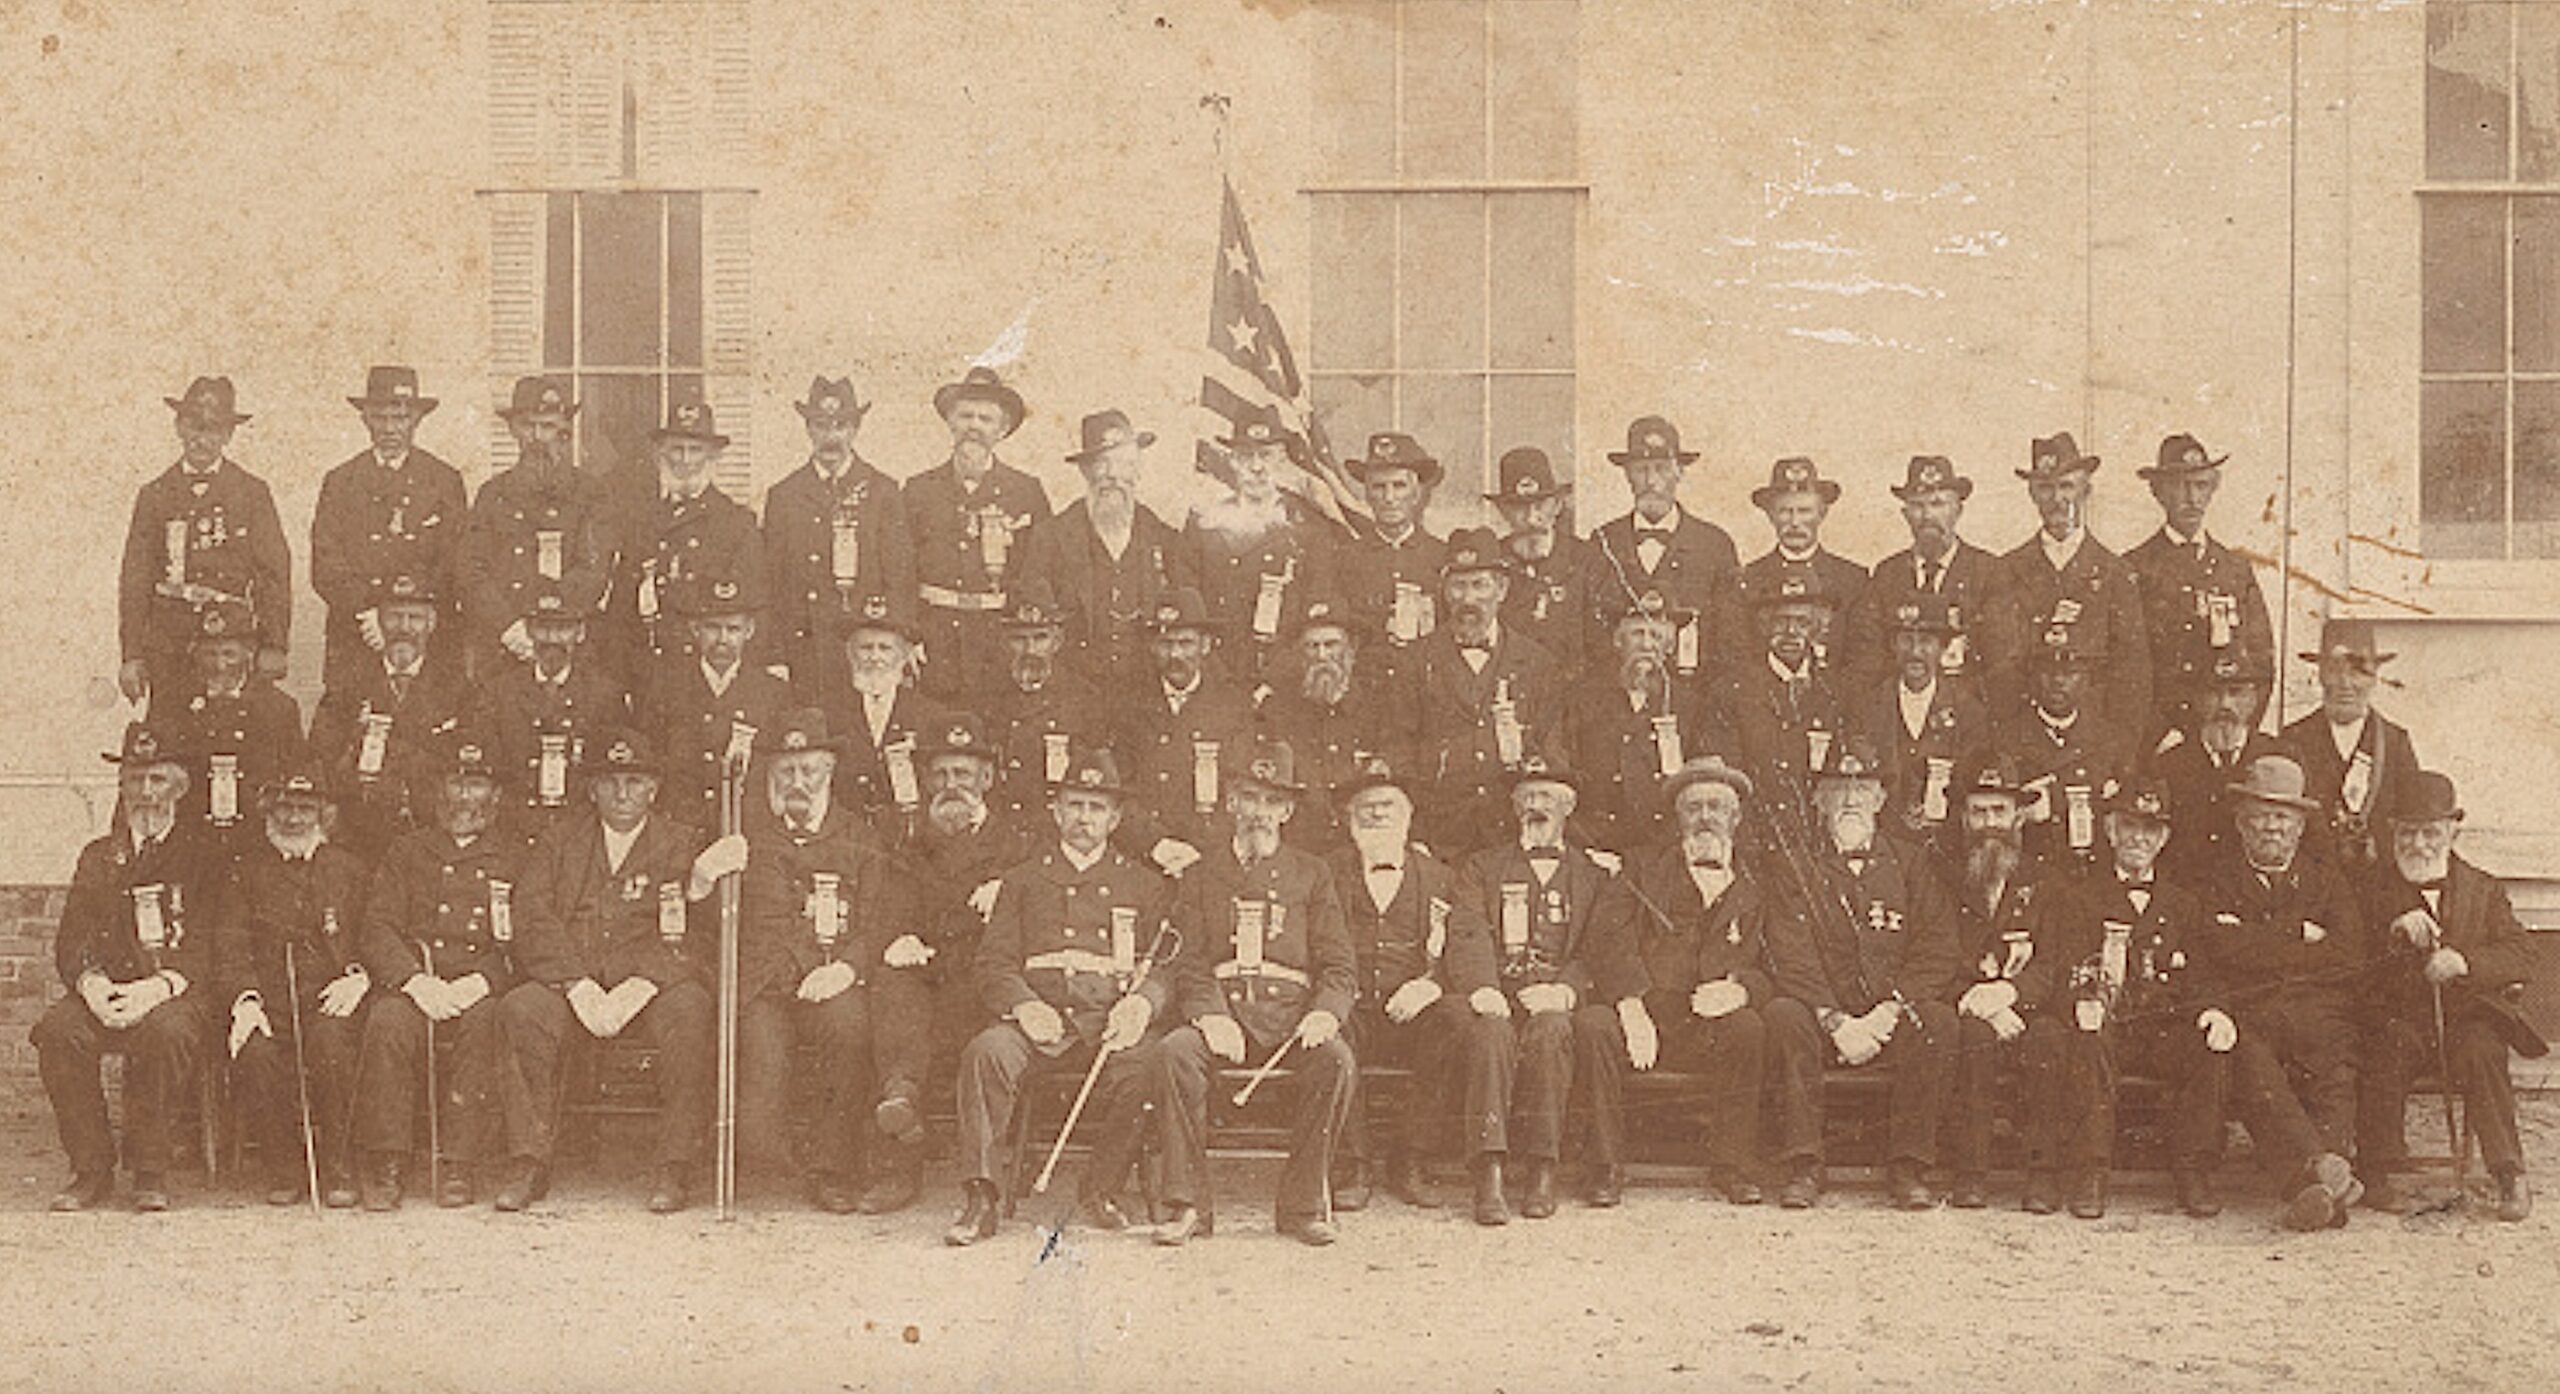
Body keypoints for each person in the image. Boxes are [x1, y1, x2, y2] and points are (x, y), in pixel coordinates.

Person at [491, 730, 725, 1213]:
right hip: (574, 983)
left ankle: (673, 1165)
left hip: (649, 988)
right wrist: (576, 985)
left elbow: (696, 933)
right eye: (611, 782)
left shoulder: (680, 843)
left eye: (635, 781)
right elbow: (532, 915)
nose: (623, 794)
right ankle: (527, 1159)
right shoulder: (560, 841)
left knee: (692, 1009)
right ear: (592, 788)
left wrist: (642, 983)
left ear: (653, 789)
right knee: (521, 1009)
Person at [946, 748, 1170, 1247]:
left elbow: (1169, 964)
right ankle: (982, 1196)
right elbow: (993, 964)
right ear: (1057, 811)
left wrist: (1143, 1003)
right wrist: (1024, 1004)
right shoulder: (1024, 881)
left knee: (1149, 1064)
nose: (1084, 818)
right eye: (1075, 805)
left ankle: (1103, 1187)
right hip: (1039, 1021)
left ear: (1115, 818)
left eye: (1096, 808)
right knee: (986, 1053)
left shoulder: (1145, 885)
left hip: (1109, 1022)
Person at [717, 708, 931, 1214]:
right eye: (786, 771)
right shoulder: (749, 838)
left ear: (830, 773)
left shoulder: (860, 837)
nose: (797, 782)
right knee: (762, 1066)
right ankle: (769, 1156)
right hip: (766, 984)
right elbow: (741, 922)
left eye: (808, 770)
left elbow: (879, 917)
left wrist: (845, 969)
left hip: (835, 977)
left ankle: (832, 1168)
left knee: (851, 1029)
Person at [1153, 740, 1359, 1246]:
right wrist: (1208, 1015)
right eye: (1249, 798)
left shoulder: (1313, 873)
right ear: (1230, 804)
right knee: (1174, 1052)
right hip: (1224, 1014)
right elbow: (1189, 960)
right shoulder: (1201, 875)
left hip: (1291, 1017)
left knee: (1336, 1060)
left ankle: (1303, 1205)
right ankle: (1187, 1206)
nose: (1259, 813)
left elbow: (1339, 966)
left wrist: (1325, 1015)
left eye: (1271, 802)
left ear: (1288, 811)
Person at [1760, 735, 1962, 1210]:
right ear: (1818, 799)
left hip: (1889, 1010)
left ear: (1881, 798)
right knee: (1784, 1015)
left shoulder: (1911, 862)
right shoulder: (1796, 864)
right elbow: (1789, 950)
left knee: (1938, 1022)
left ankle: (1909, 1166)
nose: (1850, 797)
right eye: (1837, 787)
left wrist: (1889, 1011)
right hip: (1822, 1010)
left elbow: (1937, 946)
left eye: (1863, 786)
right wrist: (1834, 1018)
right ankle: (1803, 1164)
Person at [32, 723, 223, 1212]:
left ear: (179, 787)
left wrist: (156, 988)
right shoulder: (99, 856)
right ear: (122, 787)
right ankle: (90, 1168)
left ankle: (150, 1170)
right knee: (57, 1031)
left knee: (165, 1034)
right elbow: (72, 939)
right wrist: (94, 987)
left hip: (175, 992)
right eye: (135, 779)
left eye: (157, 779)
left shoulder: (204, 857)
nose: (145, 791)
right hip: (109, 989)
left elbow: (208, 942)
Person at [2022, 776, 2230, 1220]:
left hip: (2159, 1029)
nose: (2139, 837)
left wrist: (2213, 1009)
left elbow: (2203, 974)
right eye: (2129, 825)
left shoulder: (2182, 904)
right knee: (2087, 1041)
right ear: (2110, 831)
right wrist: (2081, 1002)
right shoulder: (2078, 898)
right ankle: (2091, 1171)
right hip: (2101, 1027)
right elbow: (2059, 968)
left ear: (2165, 838)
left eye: (2150, 829)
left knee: (2205, 1048)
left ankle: (2193, 1170)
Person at [1575, 756, 1773, 1207]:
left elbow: (1777, 961)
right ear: (1677, 817)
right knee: (1592, 1025)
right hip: (1646, 1011)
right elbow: (1608, 940)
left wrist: (1741, 987)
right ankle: (1605, 1165)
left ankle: (1732, 1164)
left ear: (1736, 818)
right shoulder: (1641, 868)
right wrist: (1630, 1004)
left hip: (1710, 1018)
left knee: (1748, 1028)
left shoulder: (1759, 881)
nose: (1705, 818)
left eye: (1717, 808)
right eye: (1693, 807)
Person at [1445, 761, 1633, 1215]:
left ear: (1569, 807)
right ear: (1513, 807)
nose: (1535, 806)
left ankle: (1541, 1169)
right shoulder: (1482, 866)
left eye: (1547, 798)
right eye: (1526, 798)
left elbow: (1603, 945)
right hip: (1500, 988)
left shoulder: (1595, 875)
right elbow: (1467, 929)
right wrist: (1484, 987)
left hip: (1560, 995)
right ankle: (1488, 1172)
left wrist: (1566, 990)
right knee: (1488, 1032)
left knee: (1552, 1031)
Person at [2191, 754, 2369, 1231]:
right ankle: (2323, 1172)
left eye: (2283, 816)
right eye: (2261, 815)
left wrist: (2257, 939)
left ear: (2300, 823)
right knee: (2251, 1061)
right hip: (2254, 1010)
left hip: (2319, 1008)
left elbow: (2351, 954)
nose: (2271, 826)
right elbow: (2218, 949)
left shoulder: (2325, 879)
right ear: (2241, 821)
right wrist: (2302, 937)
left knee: (2335, 1059)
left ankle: (2314, 1180)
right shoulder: (2218, 879)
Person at [2355, 770, 2541, 1221]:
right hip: (2398, 1016)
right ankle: (2376, 1171)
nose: (2419, 844)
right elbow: (2349, 959)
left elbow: (2522, 953)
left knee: (2483, 1049)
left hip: (2465, 1017)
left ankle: (2508, 1173)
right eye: (2409, 833)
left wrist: (2465, 962)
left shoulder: (2484, 887)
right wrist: (2391, 932)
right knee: (2387, 1047)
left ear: (2453, 830)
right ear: (2393, 831)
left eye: (2431, 833)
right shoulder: (2370, 889)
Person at [350, 733, 521, 1210]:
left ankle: (458, 1163)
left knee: (486, 1024)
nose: (465, 798)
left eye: (477, 786)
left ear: (497, 795)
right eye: (455, 784)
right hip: (416, 979)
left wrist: (483, 980)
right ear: (438, 791)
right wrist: (412, 980)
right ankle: (387, 1161)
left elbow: (526, 934)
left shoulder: (515, 856)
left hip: (477, 983)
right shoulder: (408, 851)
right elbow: (378, 926)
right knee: (387, 1023)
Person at [1321, 756, 1484, 1216]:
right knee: (1330, 1026)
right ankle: (1354, 1163)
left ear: (1409, 816)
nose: (1376, 815)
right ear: (1348, 819)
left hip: (1412, 1011)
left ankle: (1411, 1157)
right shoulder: (1326, 872)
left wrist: (1433, 983)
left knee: (1455, 1018)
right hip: (1350, 1004)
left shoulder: (1442, 878)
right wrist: (1335, 992)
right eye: (1366, 807)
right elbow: (1309, 941)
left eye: (1388, 805)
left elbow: (1466, 944)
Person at [212, 763, 372, 1207]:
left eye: (306, 808)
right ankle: (283, 1164)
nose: (295, 819)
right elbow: (229, 942)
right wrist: (245, 999)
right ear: (268, 811)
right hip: (269, 999)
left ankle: (339, 1165)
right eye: (285, 807)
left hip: (329, 997)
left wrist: (358, 975)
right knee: (256, 1051)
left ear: (324, 814)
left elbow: (373, 931)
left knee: (333, 1045)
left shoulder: (349, 870)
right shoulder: (245, 872)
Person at [118, 376, 291, 713]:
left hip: (232, 640)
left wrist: (274, 643)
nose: (201, 438)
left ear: (228, 435)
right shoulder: (154, 495)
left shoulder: (252, 492)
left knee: (232, 731)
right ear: (179, 427)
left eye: (213, 429)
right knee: (171, 730)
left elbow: (274, 573)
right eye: (194, 425)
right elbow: (135, 579)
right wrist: (133, 654)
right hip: (170, 641)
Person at [1937, 756, 2058, 1209]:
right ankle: (1970, 1173)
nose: (1991, 824)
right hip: (1966, 1005)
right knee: (1971, 1037)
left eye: (2000, 811)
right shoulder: (1942, 877)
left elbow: (2055, 962)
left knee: (2049, 1039)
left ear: (2019, 817)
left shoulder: (2044, 881)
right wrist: (1974, 997)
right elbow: (1934, 953)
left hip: (2028, 1009)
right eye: (1980, 812)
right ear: (1964, 817)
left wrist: (2011, 994)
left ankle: (2042, 1174)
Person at [893, 711, 1040, 1081]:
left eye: (963, 774)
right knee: (892, 984)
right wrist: (902, 935)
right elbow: (892, 903)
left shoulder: (1018, 843)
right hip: (925, 968)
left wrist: (1007, 891)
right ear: (925, 781)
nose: (951, 785)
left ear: (987, 779)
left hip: (980, 970)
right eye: (940, 774)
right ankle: (900, 1094)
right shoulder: (907, 840)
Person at [1408, 529, 1564, 856]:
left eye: (1480, 585)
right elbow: (1401, 749)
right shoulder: (1415, 660)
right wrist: (1417, 835)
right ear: (1444, 591)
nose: (1468, 599)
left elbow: (1552, 751)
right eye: (1458, 586)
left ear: (1502, 589)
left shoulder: (1537, 662)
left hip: (1512, 832)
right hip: (1441, 837)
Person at [311, 366, 468, 690]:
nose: (390, 428)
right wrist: (365, 610)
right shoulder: (341, 482)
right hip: (358, 630)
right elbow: (326, 562)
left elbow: (455, 557)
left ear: (416, 420)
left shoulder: (443, 480)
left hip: (425, 631)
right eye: (380, 418)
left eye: (400, 418)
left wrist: (413, 613)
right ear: (365, 420)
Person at [1983, 433, 2150, 731]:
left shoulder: (2116, 572)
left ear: (2086, 491)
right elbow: (2000, 670)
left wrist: (2117, 752)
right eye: (2046, 488)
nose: (2058, 500)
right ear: (2032, 494)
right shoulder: (2005, 571)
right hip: (2024, 739)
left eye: (2067, 486)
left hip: (2097, 741)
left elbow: (2131, 675)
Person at [1548, 590, 1730, 855]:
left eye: (1656, 636)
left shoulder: (1690, 706)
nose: (1646, 645)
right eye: (1637, 634)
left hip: (1663, 847)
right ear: (1618, 641)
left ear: (1670, 647)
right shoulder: (1582, 698)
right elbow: (1560, 768)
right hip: (1594, 844)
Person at [904, 366, 1049, 701]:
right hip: (934, 636)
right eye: (965, 416)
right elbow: (901, 571)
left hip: (998, 637)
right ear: (950, 423)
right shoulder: (918, 490)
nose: (974, 426)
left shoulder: (1026, 492)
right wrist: (907, 637)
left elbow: (1039, 571)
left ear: (1002, 430)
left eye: (985, 419)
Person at [761, 375, 915, 687]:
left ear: (856, 429)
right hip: (803, 648)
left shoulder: (883, 491)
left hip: (865, 649)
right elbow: (772, 582)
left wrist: (900, 647)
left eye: (841, 426)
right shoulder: (784, 495)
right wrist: (775, 653)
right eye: (821, 425)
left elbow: (900, 576)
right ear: (808, 430)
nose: (832, 436)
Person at [599, 397, 763, 690]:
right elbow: (621, 611)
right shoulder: (642, 521)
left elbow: (753, 609)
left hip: (704, 677)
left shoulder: (736, 523)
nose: (685, 461)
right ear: (660, 454)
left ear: (712, 457)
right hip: (646, 674)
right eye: (677, 449)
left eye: (695, 450)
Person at [1016, 409, 1187, 685]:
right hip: (1075, 690)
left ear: (1137, 470)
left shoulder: (1164, 538)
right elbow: (1034, 620)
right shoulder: (1051, 537)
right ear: (1085, 470)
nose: (1113, 476)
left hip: (1145, 692)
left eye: (1124, 464)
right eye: (1102, 464)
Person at [458, 375, 612, 681]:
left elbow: (595, 569)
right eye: (529, 425)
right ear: (514, 430)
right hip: (504, 644)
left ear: (565, 432)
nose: (538, 437)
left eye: (549, 426)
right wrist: (509, 627)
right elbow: (471, 569)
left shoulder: (590, 493)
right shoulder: (493, 494)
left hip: (565, 645)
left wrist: (551, 627)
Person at [307, 574, 471, 860]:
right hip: (360, 829)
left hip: (431, 829)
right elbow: (322, 754)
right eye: (394, 617)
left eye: (415, 618)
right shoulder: (350, 683)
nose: (405, 628)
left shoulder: (456, 688)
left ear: (432, 624)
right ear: (379, 622)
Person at [2125, 434, 2274, 742]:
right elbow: (2125, 670)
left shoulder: (2235, 569)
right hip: (2163, 744)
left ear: (2212, 489)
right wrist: (2158, 737)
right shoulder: (2134, 569)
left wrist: (2240, 731)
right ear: (2158, 492)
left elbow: (2261, 663)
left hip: (2225, 736)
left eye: (2201, 485)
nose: (2192, 498)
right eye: (2180, 486)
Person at [1104, 587, 1259, 875]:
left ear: (1206, 645)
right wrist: (1155, 843)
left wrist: (1200, 851)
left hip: (1208, 859)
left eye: (1186, 643)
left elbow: (1239, 792)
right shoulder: (1127, 706)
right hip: (1140, 856)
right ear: (1152, 646)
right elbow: (1116, 790)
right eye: (1165, 643)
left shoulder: (1233, 708)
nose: (1175, 654)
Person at [1179, 403, 1341, 676]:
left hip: (1285, 676)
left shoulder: (1310, 528)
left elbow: (1317, 617)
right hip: (1217, 673)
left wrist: (1278, 677)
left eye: (1266, 456)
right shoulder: (1203, 525)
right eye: (1245, 456)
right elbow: (1189, 611)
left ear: (1282, 460)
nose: (1256, 467)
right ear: (1232, 461)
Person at [636, 575, 794, 837]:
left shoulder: (772, 692)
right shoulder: (665, 687)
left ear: (749, 631)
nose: (722, 639)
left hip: (745, 830)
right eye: (713, 628)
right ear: (695, 629)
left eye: (733, 629)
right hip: (678, 829)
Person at [1257, 598, 1418, 853]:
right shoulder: (1277, 712)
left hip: (1363, 849)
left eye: (1331, 645)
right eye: (1312, 647)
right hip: (1300, 848)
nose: (1322, 656)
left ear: (1351, 649)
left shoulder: (1380, 708)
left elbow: (1402, 770)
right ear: (1300, 655)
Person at [1583, 416, 1735, 675]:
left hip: (1695, 701)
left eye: (1662, 468)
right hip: (1621, 701)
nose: (1652, 481)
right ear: (1627, 475)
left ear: (1680, 472)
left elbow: (1730, 639)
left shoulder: (1713, 544)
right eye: (1642, 470)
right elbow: (1590, 635)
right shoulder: (1603, 541)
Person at [1838, 455, 2003, 695]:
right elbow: (1868, 657)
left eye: (1938, 504)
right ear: (1905, 514)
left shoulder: (1988, 571)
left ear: (1958, 510)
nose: (1927, 516)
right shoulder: (1887, 574)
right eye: (1917, 505)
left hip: (1967, 715)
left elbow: (2000, 662)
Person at [474, 583, 630, 835]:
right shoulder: (499, 691)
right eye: (543, 628)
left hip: (580, 825)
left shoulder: (604, 694)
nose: (552, 639)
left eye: (563, 629)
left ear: (580, 633)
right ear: (528, 631)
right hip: (514, 823)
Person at [163, 597, 306, 861]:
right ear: (196, 653)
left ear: (249, 652)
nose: (220, 665)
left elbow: (296, 774)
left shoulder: (278, 707)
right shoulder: (176, 706)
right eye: (210, 654)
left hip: (258, 839)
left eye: (229, 653)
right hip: (193, 839)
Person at [1990, 620, 2133, 871]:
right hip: (2028, 869)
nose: (2057, 681)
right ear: (2033, 679)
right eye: (2048, 672)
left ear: (2088, 681)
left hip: (2091, 872)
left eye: (2070, 673)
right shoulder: (2005, 738)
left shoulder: (2110, 740)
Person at [799, 592, 949, 830]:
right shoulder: (826, 712)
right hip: (845, 835)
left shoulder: (930, 715)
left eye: (885, 648)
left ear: (902, 656)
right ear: (850, 654)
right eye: (866, 648)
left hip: (908, 836)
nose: (875, 657)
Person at [2279, 617, 2420, 869]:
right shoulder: (2294, 739)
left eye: (2358, 671)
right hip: (2312, 888)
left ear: (2375, 677)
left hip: (2379, 886)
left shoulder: (2394, 741)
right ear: (2320, 675)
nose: (2346, 683)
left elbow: (2412, 817)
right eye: (2335, 670)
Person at [1713, 573, 1848, 835]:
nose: (1790, 632)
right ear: (1764, 626)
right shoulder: (1730, 690)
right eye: (1780, 621)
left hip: (1817, 830)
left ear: (1818, 629)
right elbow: (1725, 774)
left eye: (1802, 623)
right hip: (1752, 830)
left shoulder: (1836, 691)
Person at [1850, 594, 1989, 841]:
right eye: (1906, 640)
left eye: (1926, 641)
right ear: (1893, 645)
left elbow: (1972, 782)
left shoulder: (1969, 710)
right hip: (1882, 840)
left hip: (1946, 841)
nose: (1915, 652)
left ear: (1943, 647)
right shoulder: (1866, 707)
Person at [1713, 457, 1867, 670]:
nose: (1795, 523)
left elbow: (1863, 659)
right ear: (1770, 516)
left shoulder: (1853, 580)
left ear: (1822, 514)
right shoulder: (1746, 580)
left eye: (1804, 511)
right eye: (1785, 511)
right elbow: (1736, 657)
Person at [2153, 650, 2282, 886]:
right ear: (2197, 700)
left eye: (2236, 693)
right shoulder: (2169, 766)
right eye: (2213, 693)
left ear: (2253, 700)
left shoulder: (2278, 757)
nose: (2225, 705)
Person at [982, 599, 1107, 827]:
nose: (1030, 649)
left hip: (1055, 824)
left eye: (1040, 638)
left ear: (1057, 641)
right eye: (1019, 639)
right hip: (1000, 822)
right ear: (1003, 642)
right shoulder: (986, 693)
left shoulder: (1083, 696)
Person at [1332, 432, 1449, 669]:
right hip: (1366, 688)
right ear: (1367, 495)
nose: (1389, 498)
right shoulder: (1343, 559)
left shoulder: (1442, 557)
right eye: (1379, 487)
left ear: (1417, 494)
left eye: (1399, 486)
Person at [1486, 446, 1592, 673]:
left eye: (1540, 504)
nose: (1532, 517)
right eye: (1520, 507)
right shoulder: (1491, 561)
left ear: (1557, 505)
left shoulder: (1585, 558)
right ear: (1503, 511)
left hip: (1571, 694)